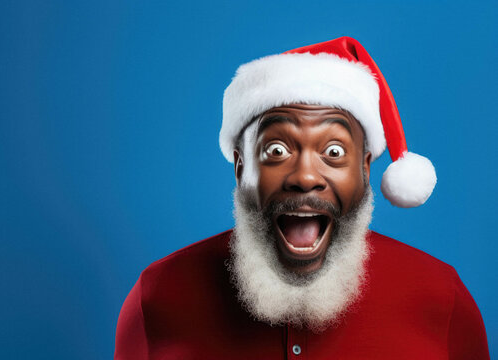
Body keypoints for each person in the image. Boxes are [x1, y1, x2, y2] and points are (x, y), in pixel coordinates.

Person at [114, 37, 489, 359]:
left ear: (366, 169)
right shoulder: (157, 296)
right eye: (276, 150)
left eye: (334, 152)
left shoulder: (441, 297)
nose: (306, 177)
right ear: (241, 168)